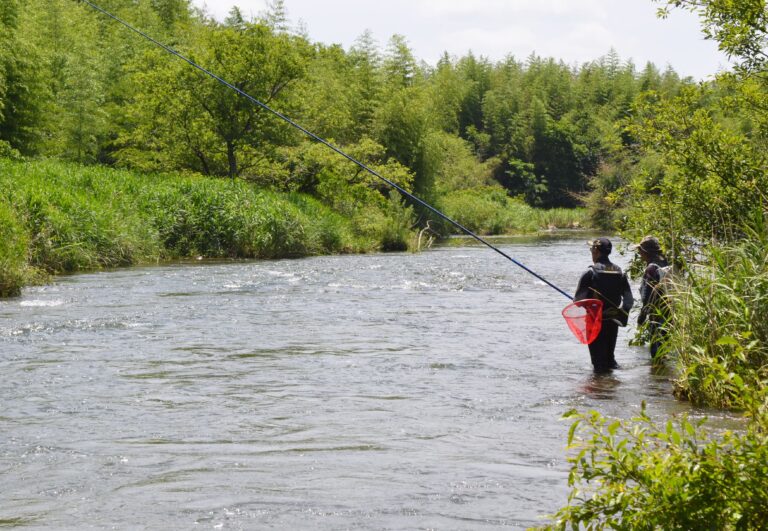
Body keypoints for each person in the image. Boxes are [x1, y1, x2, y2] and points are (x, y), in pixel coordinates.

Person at [574, 237, 634, 372]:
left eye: (591, 249)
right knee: (609, 360)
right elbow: (629, 300)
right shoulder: (620, 273)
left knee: (598, 363)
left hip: (595, 322)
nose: (591, 252)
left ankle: (600, 390)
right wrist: (621, 315)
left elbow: (578, 301)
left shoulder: (590, 273)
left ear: (596, 250)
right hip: (613, 321)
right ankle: (609, 388)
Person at [635, 235, 670, 359]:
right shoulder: (666, 263)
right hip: (670, 313)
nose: (639, 254)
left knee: (656, 352)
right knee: (664, 349)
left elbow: (647, 296)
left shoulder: (651, 268)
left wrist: (642, 316)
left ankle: (657, 372)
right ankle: (661, 376)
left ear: (646, 252)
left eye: (640, 251)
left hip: (657, 315)